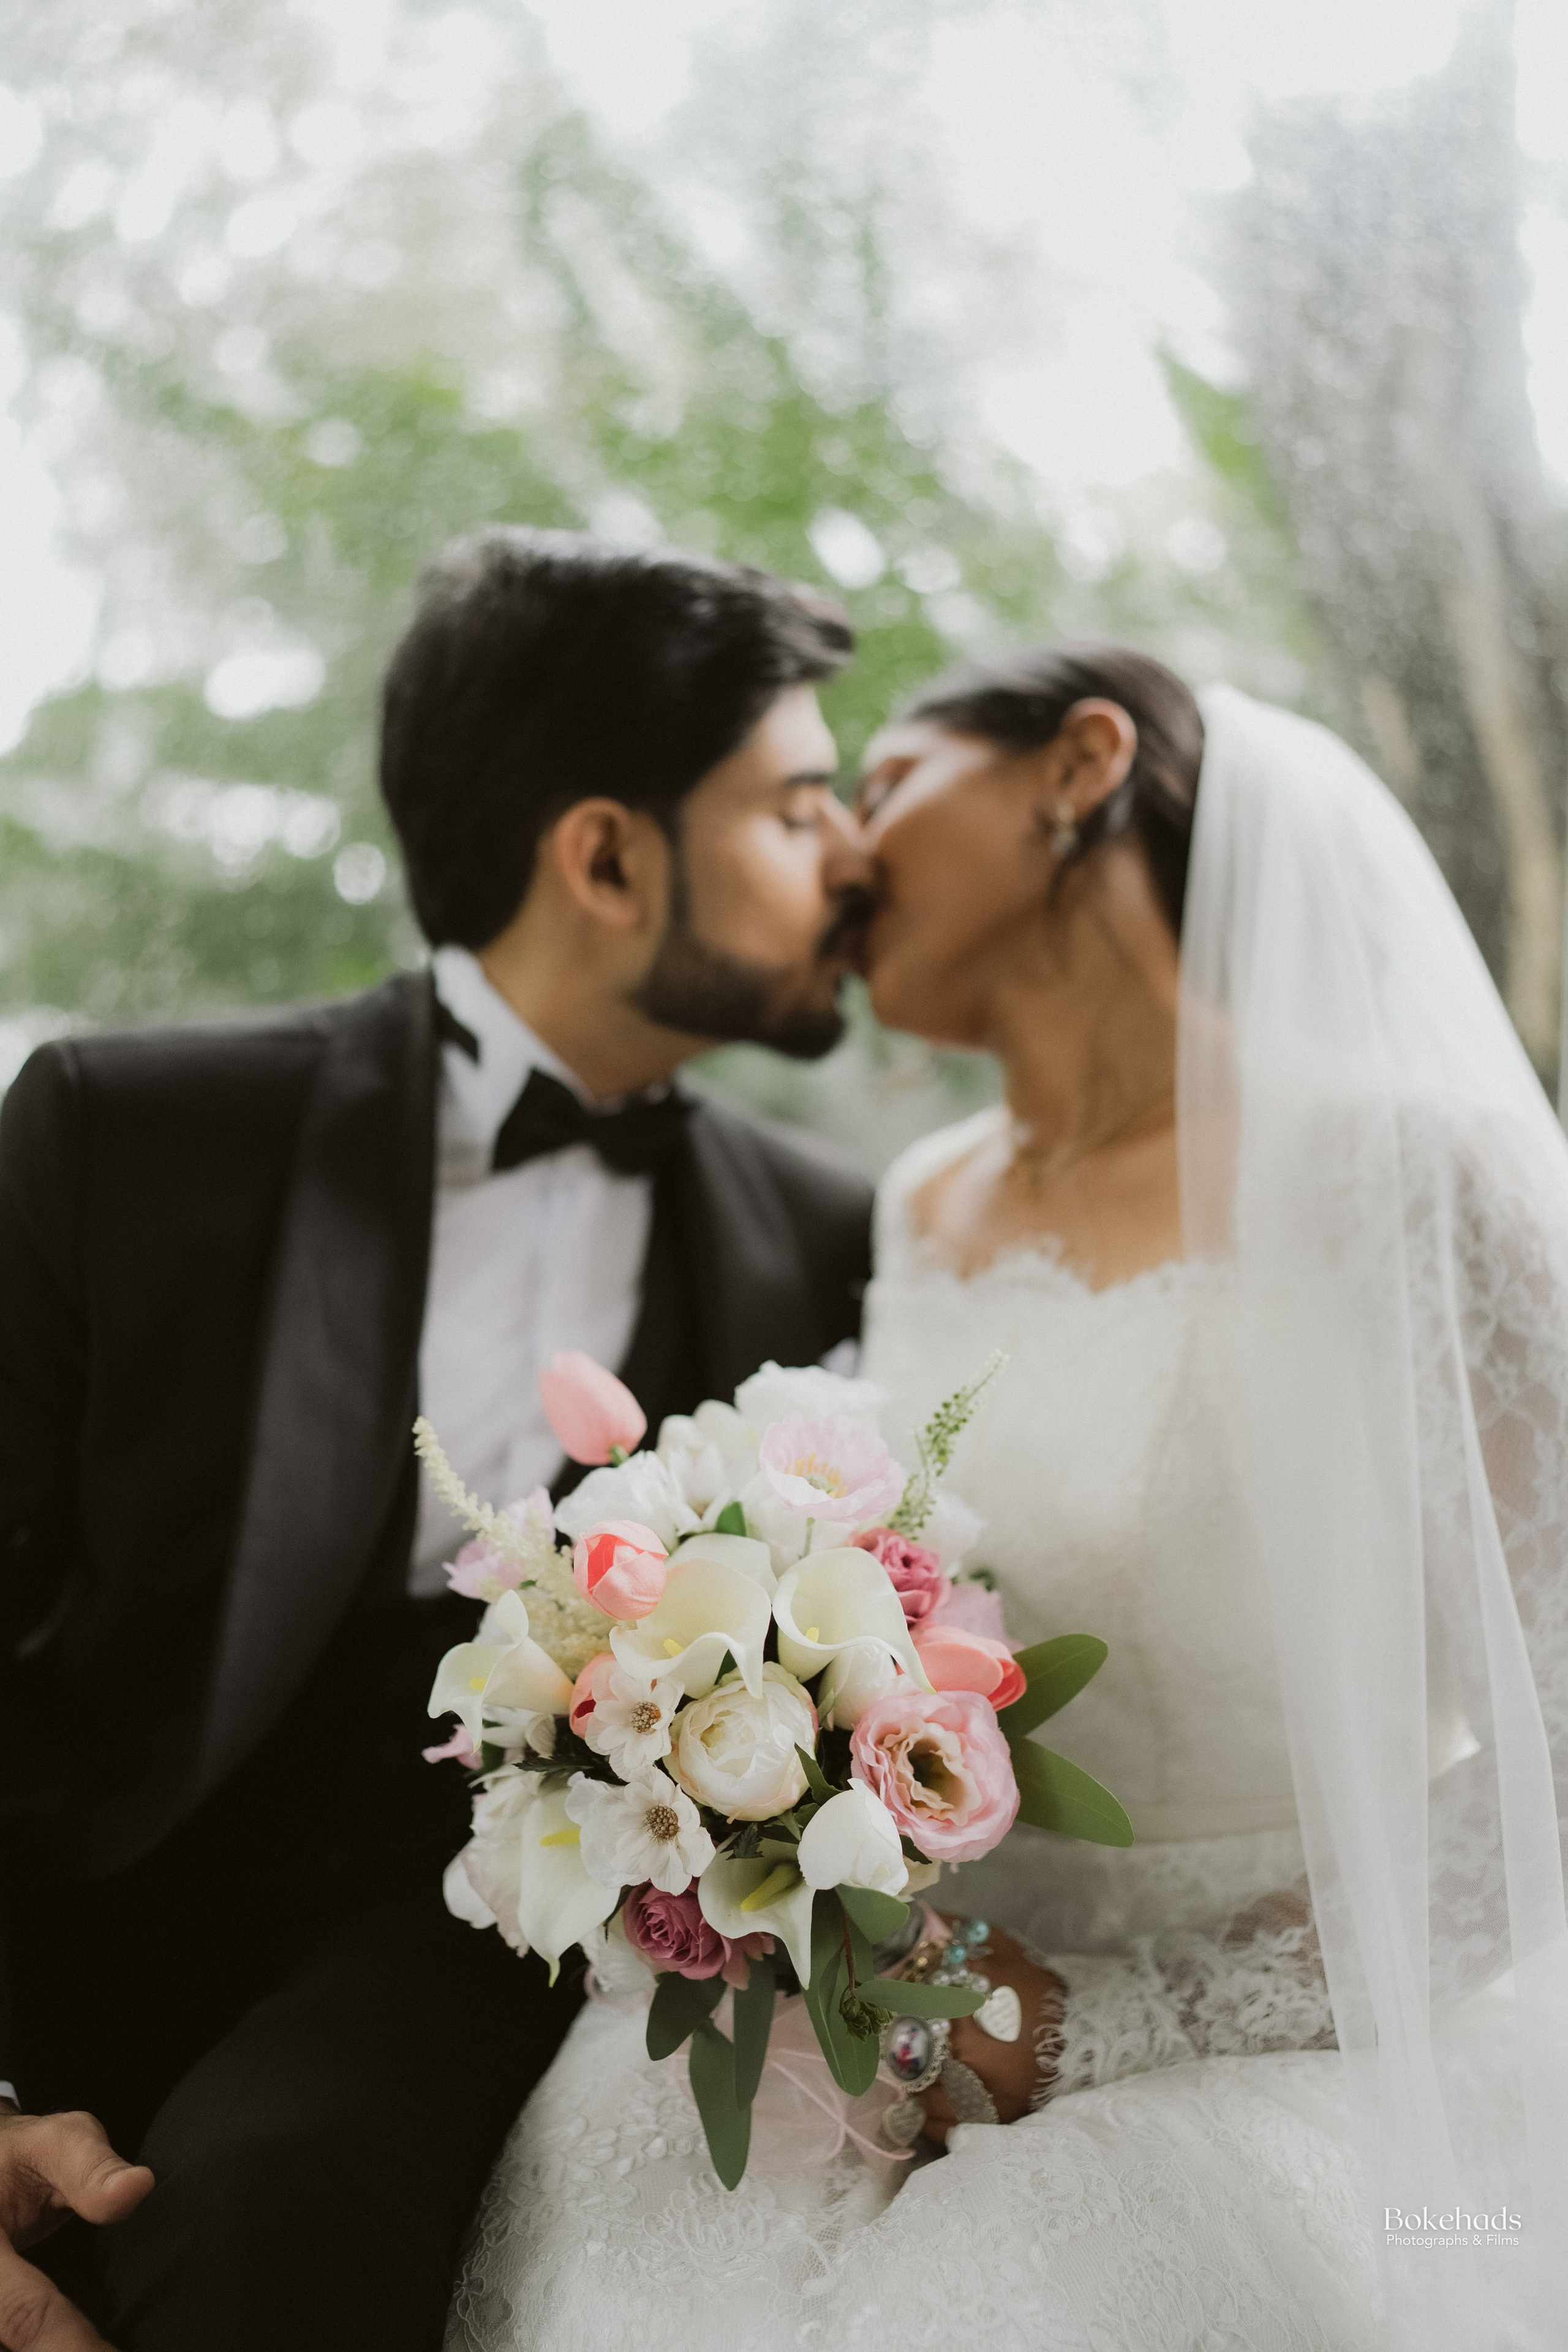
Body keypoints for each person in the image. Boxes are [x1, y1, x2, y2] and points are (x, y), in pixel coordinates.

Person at [452, 645, 1568, 2351]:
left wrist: (1116, 2025)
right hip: (897, 2004)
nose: (839, 856)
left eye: (882, 785)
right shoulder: (922, 1200)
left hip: (1284, 2053)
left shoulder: (1407, 1180)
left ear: (1079, 763)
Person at [0, 528, 879, 2352]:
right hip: (60, 1929)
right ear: (609, 856)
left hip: (465, 1959)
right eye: (800, 810)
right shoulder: (123, 1137)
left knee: (275, 2206)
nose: (855, 861)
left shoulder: (827, 1241)